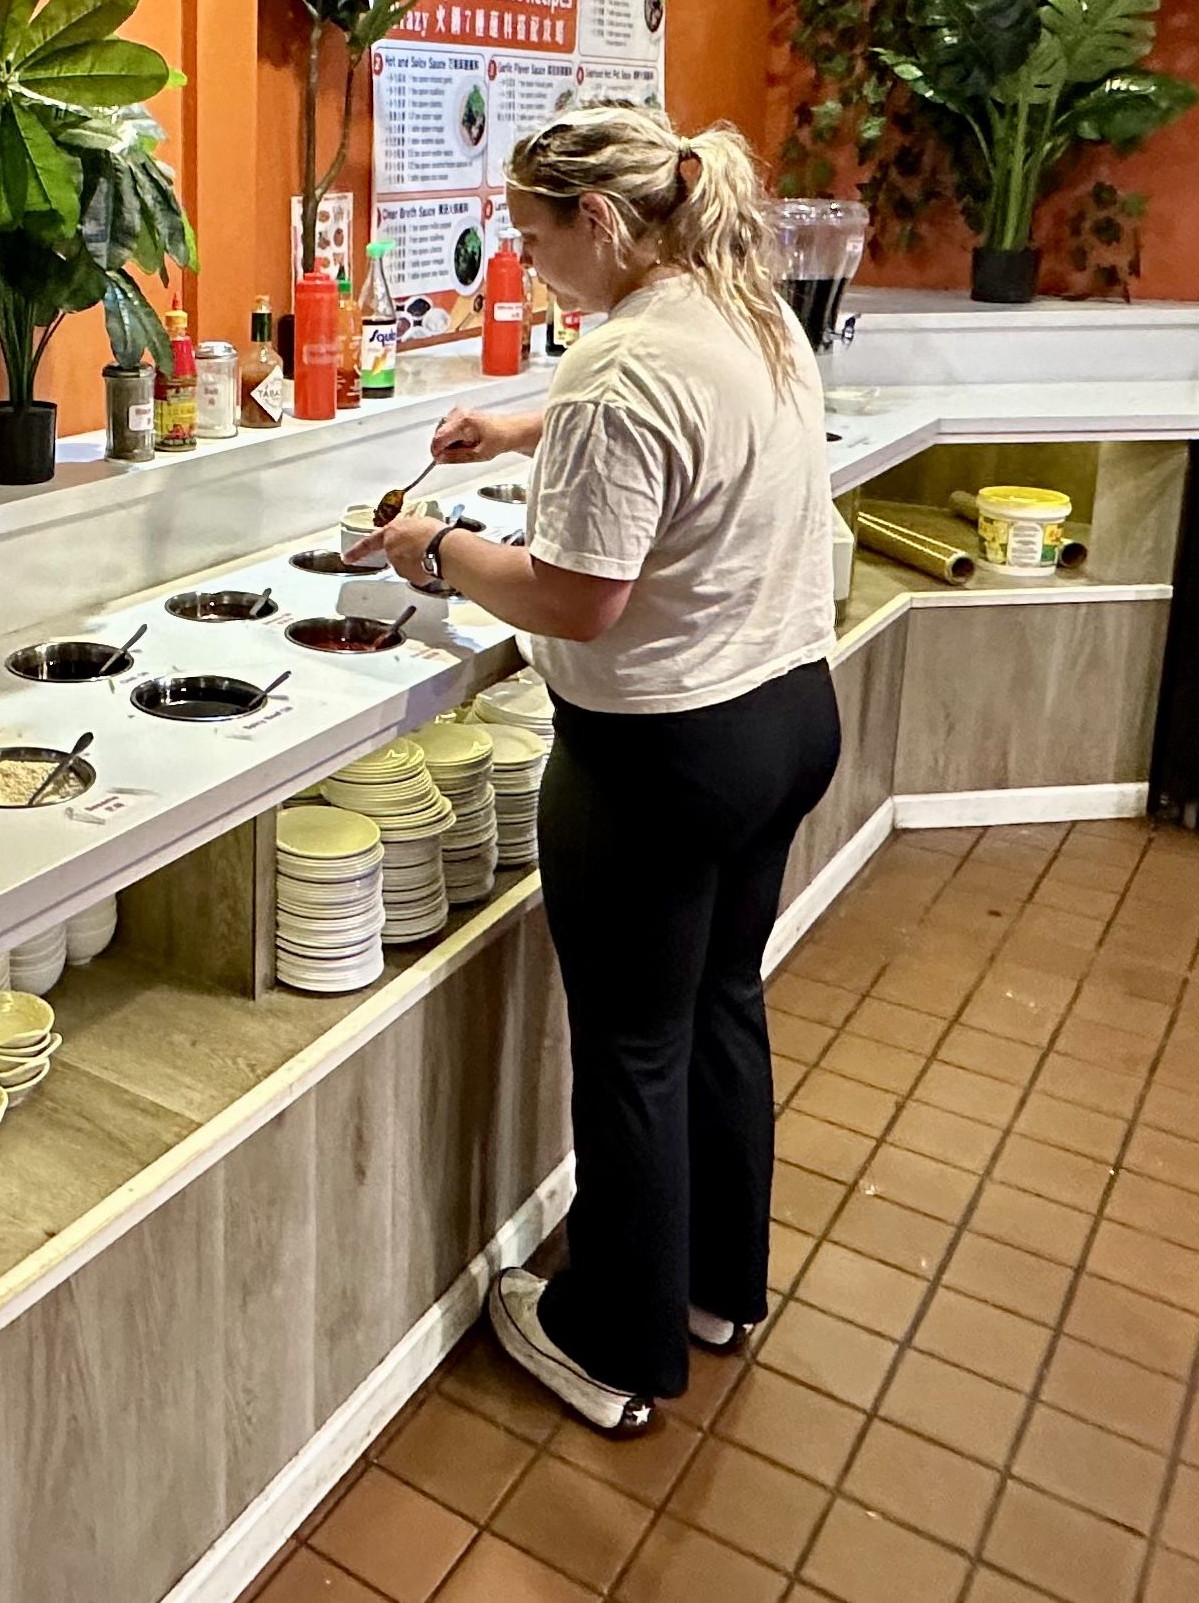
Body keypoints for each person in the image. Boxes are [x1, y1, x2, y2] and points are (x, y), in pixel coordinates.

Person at [349, 104, 839, 1437]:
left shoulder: (623, 365)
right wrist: (518, 432)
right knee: (724, 1002)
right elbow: (673, 431)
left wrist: (436, 548)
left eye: (532, 236)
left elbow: (576, 599)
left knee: (633, 1047)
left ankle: (611, 1343)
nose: (525, 263)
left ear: (602, 222)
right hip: (788, 716)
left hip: (664, 755)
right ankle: (717, 1295)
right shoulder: (748, 310)